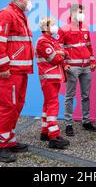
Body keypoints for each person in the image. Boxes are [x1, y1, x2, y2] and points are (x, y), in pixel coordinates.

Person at [0, 0, 34, 163]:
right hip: (9, 73)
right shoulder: (6, 14)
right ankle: (1, 147)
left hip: (20, 71)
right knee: (8, 106)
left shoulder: (20, 16)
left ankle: (10, 140)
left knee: (17, 106)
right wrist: (3, 67)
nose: (30, 2)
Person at [59, 4, 96, 136]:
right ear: (73, 13)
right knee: (69, 96)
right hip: (72, 67)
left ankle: (86, 121)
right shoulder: (64, 29)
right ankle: (68, 124)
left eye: (83, 12)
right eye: (80, 12)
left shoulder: (86, 28)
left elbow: (89, 46)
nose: (83, 14)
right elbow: (60, 49)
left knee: (85, 96)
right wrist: (64, 64)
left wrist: (92, 60)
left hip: (86, 67)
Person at [35, 17, 71, 149]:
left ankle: (45, 132)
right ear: (46, 27)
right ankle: (53, 136)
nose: (56, 26)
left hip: (54, 77)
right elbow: (55, 58)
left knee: (48, 104)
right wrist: (61, 53)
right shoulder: (42, 41)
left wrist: (61, 53)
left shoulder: (52, 40)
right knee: (53, 104)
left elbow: (64, 53)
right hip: (48, 77)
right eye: (53, 24)